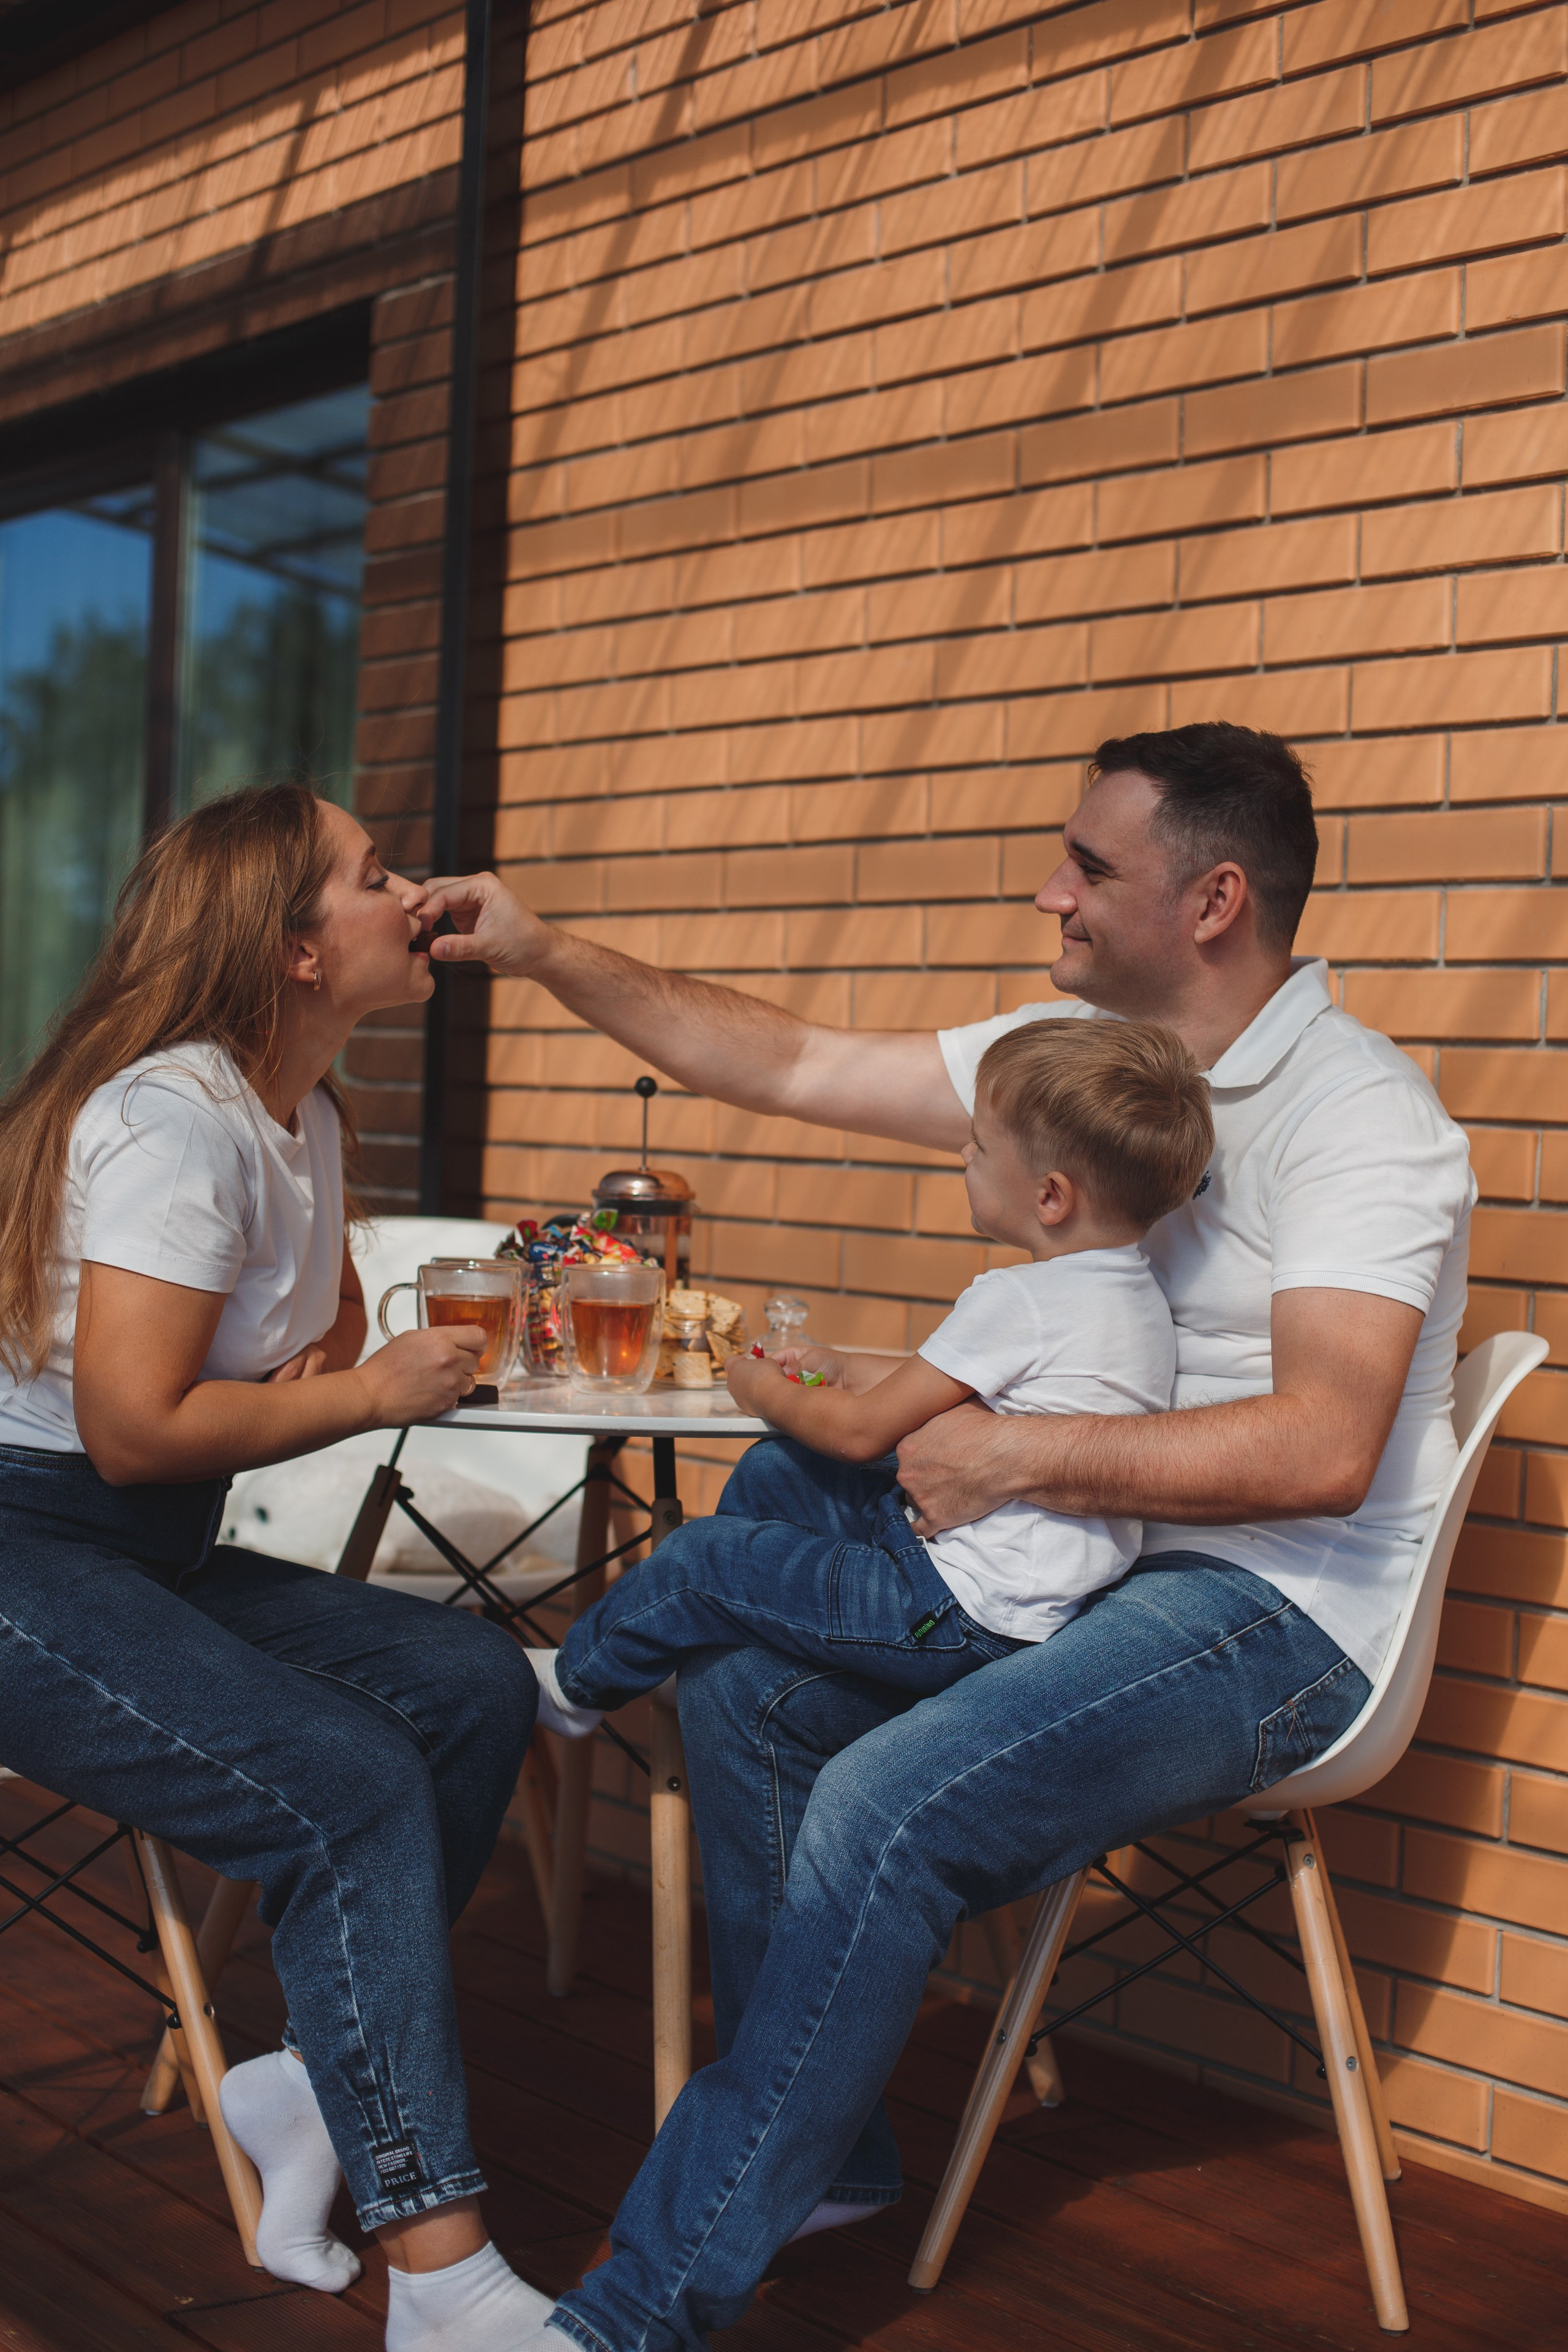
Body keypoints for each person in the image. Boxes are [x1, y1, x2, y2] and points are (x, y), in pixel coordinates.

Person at [422, 719, 1474, 2352]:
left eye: (1090, 866)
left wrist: (1012, 1454)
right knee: (753, 1674)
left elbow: (1328, 1449)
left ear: (1212, 902)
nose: (1048, 892)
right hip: (1087, 1551)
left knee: (881, 1803)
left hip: (1271, 1617)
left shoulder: (1363, 1118)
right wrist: (542, 946)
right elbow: (782, 1063)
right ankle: (829, 2151)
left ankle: (633, 2314)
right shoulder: (1086, 1050)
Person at [0, 783, 562, 2352]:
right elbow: (128, 1425)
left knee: (463, 1679)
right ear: (295, 945)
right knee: (348, 1776)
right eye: (374, 876)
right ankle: (441, 2272)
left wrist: (365, 1340)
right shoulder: (178, 1116)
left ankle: (314, 2086)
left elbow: (267, 1358)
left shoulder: (303, 1114)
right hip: (22, 1542)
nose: (410, 894)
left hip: (142, 1550)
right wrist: (365, 1390)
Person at [529, 1019, 1212, 1740]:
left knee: (700, 1557)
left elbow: (856, 1435)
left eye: (980, 1145)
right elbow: (959, 1380)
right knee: (780, 1473)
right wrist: (846, 1366)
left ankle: (575, 1688)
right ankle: (718, 1629)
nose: (963, 1152)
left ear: (1050, 1197)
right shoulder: (1131, 1295)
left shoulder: (1019, 1298)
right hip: (1019, 1599)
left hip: (953, 1610)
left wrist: (756, 1386)